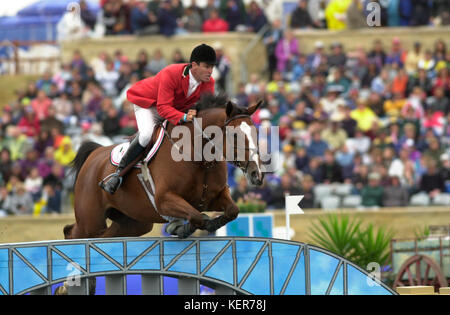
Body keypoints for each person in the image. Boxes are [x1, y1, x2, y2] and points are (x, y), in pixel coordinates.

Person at [101, 44, 216, 194]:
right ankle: (117, 174)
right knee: (147, 135)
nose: (210, 71)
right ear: (194, 65)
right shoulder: (172, 73)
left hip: (174, 108)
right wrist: (183, 116)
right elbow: (163, 108)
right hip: (148, 105)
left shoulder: (209, 82)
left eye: (212, 67)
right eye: (207, 67)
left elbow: (206, 109)